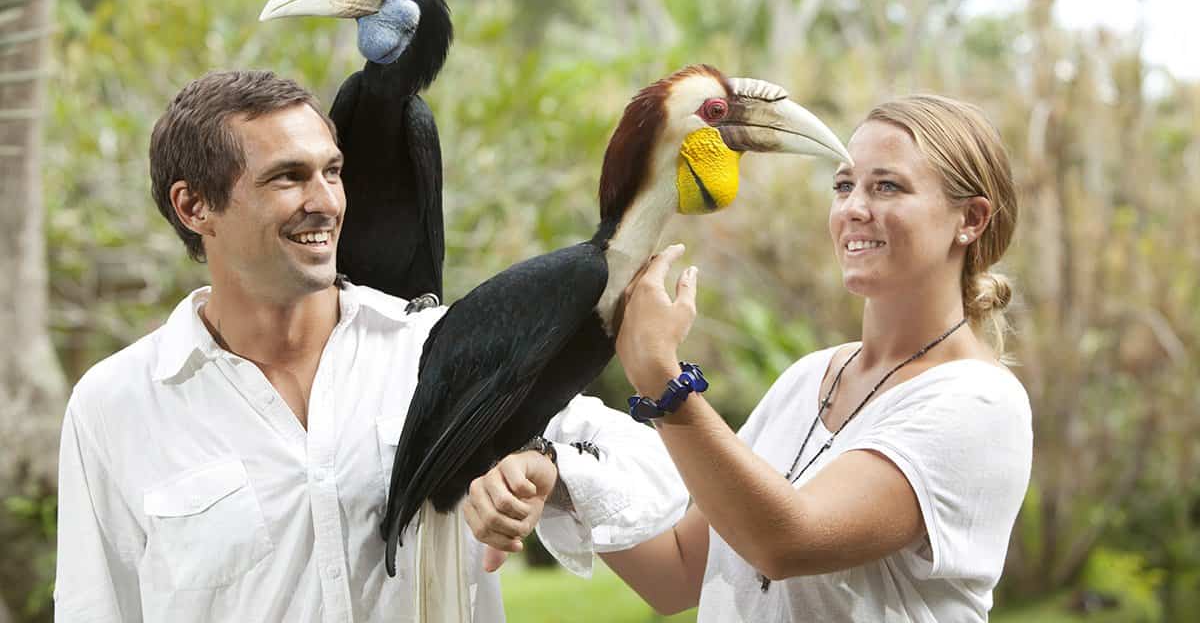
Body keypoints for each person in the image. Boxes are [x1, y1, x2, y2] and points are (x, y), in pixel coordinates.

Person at [53, 70, 686, 622]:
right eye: (287, 179)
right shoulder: (115, 404)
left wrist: (549, 471)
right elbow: (95, 607)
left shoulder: (430, 344)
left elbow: (665, 490)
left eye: (332, 171)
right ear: (195, 207)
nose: (325, 202)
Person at [468, 93, 1033, 622]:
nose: (853, 209)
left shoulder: (979, 403)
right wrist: (560, 474)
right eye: (843, 185)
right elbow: (680, 571)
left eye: (887, 187)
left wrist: (661, 380)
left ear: (972, 219)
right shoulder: (809, 378)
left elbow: (787, 542)